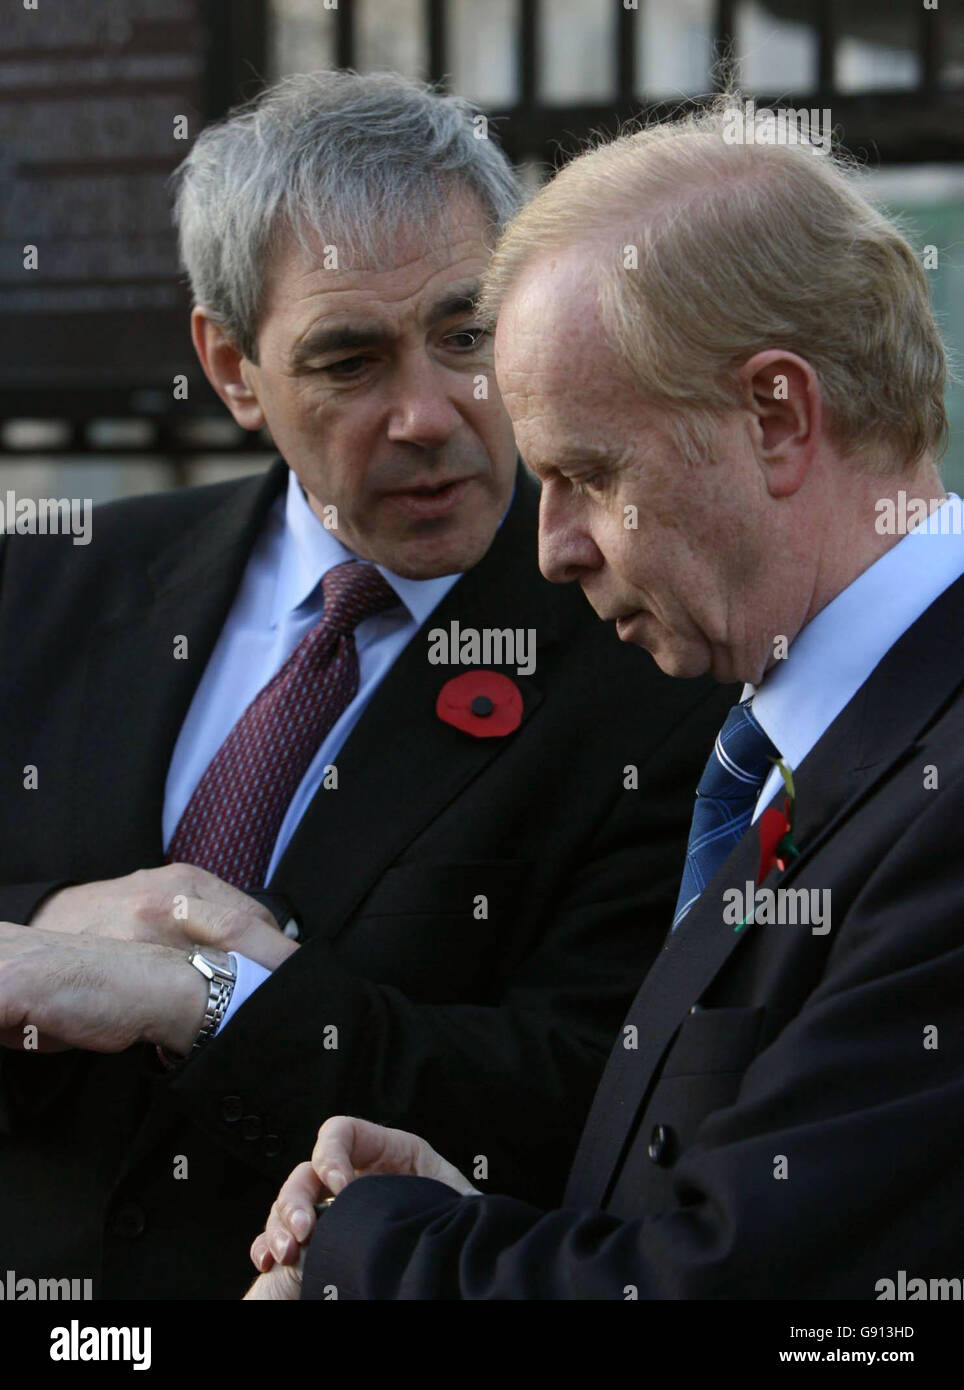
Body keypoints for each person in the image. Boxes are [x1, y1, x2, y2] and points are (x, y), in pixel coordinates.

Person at [0, 73, 729, 1299]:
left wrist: (208, 999)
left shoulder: (652, 652)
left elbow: (593, 1092)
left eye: (465, 335)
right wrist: (67, 925)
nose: (427, 415)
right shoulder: (49, 586)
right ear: (232, 368)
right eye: (348, 359)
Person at [247, 94, 964, 1301]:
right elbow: (733, 1211)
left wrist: (364, 1257)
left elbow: (744, 1291)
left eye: (586, 473)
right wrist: (470, 1219)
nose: (554, 547)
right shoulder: (796, 753)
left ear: (777, 416)